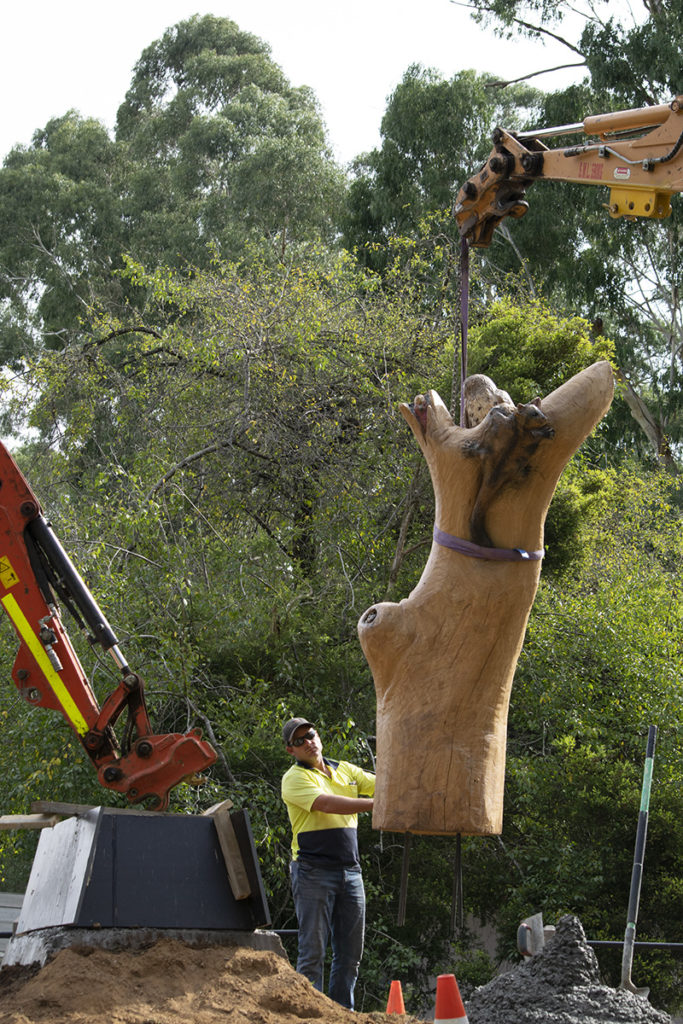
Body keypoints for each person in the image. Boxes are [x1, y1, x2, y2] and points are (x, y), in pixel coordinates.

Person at [281, 717, 375, 1010]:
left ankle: (341, 1014)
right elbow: (328, 803)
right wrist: (376, 804)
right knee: (312, 954)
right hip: (312, 872)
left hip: (351, 872)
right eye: (299, 741)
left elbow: (385, 784)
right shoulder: (294, 778)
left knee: (349, 958)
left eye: (310, 735)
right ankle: (309, 1016)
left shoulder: (345, 769)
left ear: (318, 736)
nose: (308, 742)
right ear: (291, 751)